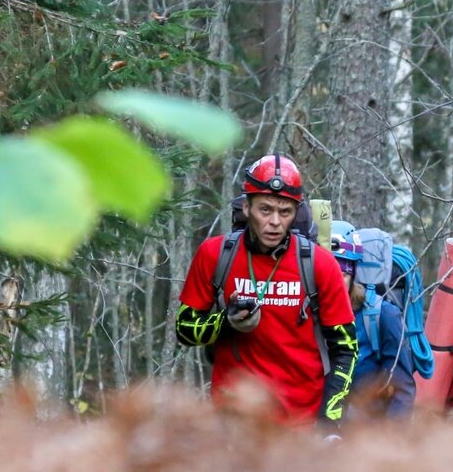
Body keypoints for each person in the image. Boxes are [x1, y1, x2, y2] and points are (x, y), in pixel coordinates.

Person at [174, 154, 358, 428]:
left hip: (301, 426)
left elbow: (346, 350)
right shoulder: (214, 255)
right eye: (265, 209)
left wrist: (330, 420)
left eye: (285, 212)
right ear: (247, 208)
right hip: (233, 425)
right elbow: (184, 329)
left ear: (295, 213)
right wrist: (226, 321)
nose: (274, 221)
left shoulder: (320, 264)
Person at [329, 221, 416, 418]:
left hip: (367, 428)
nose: (333, 283)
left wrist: (387, 441)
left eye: (341, 275)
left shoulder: (382, 315)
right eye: (327, 275)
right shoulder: (308, 314)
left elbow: (403, 390)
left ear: (353, 275)